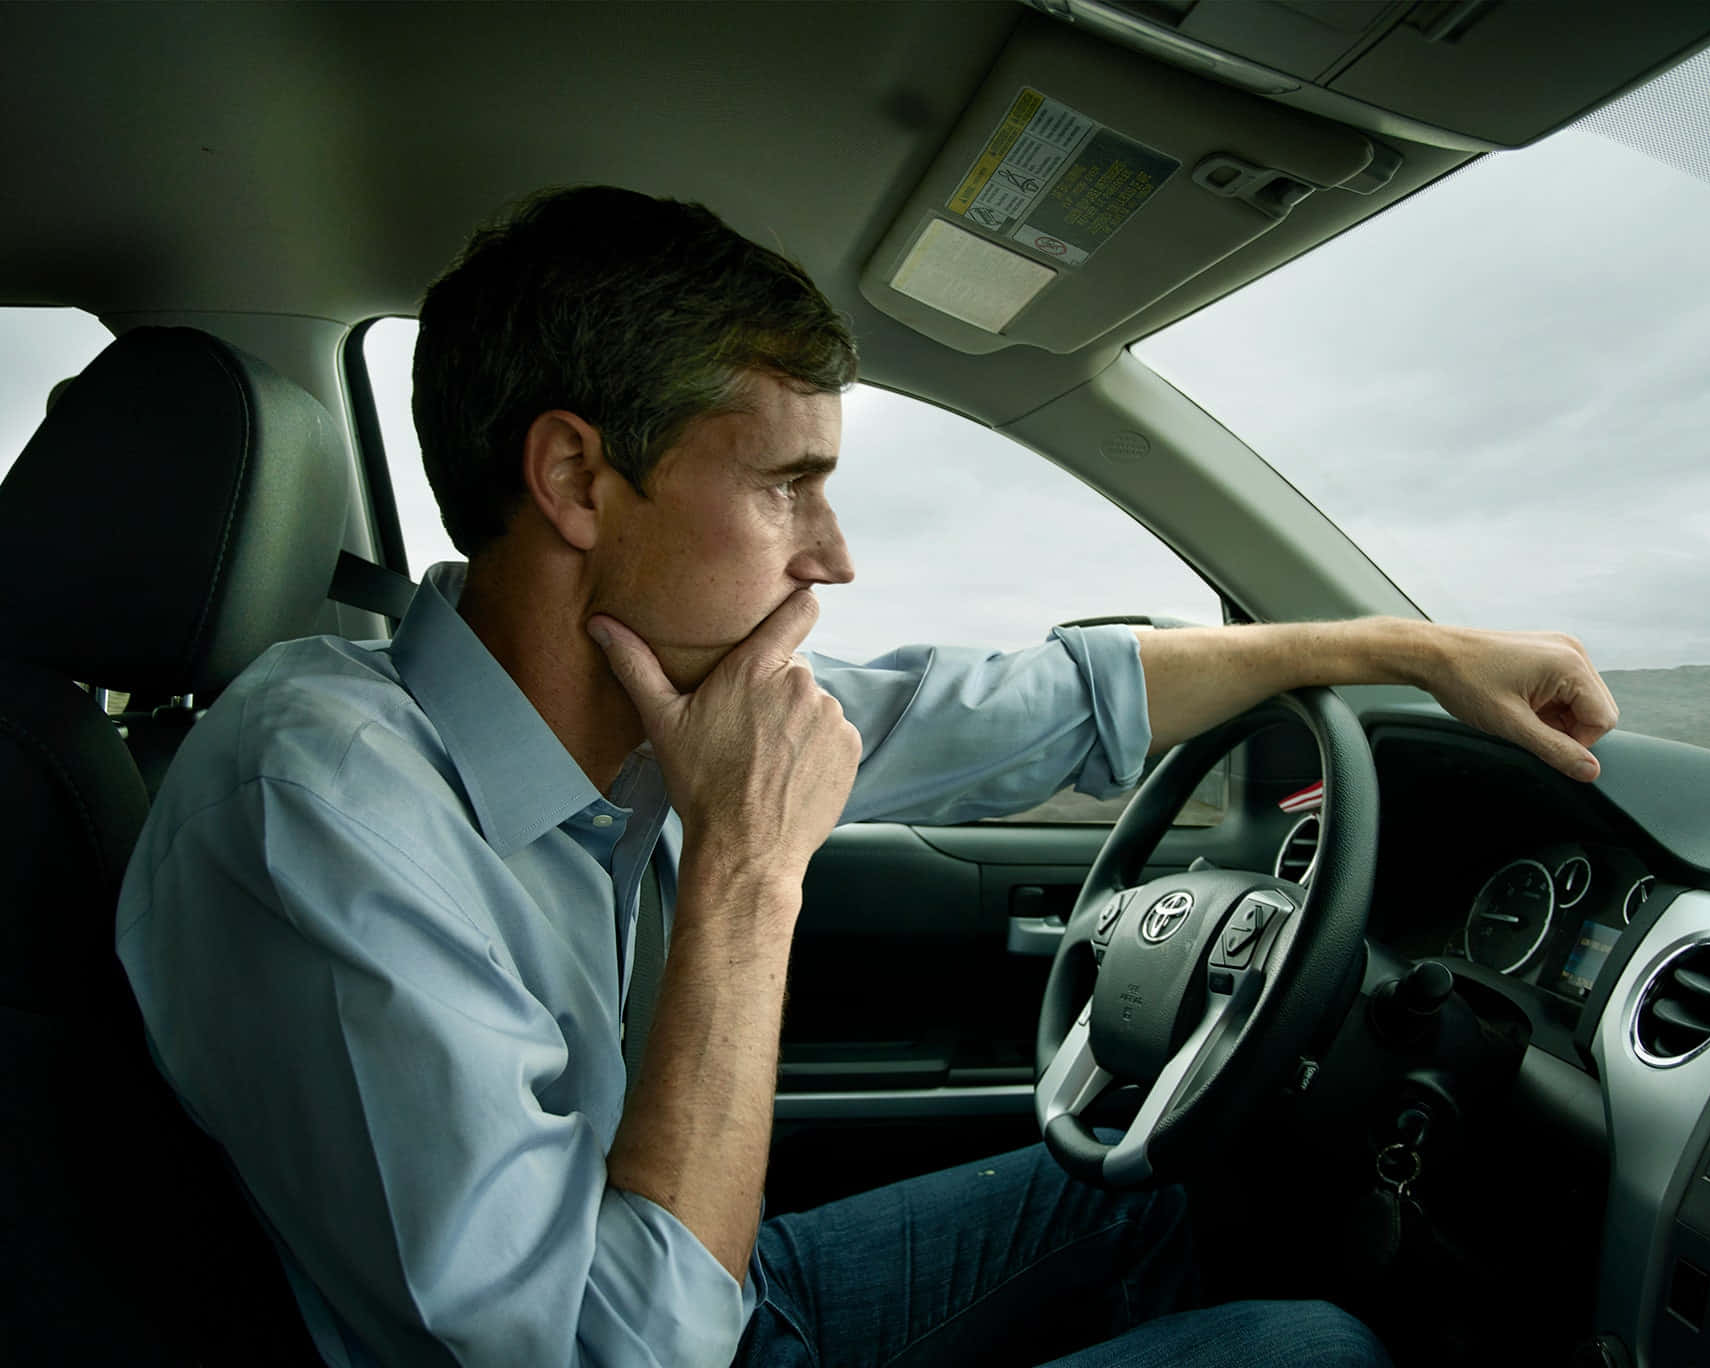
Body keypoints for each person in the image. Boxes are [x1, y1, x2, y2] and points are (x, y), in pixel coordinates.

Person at [117, 186, 1618, 1368]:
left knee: (1174, 1193)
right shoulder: (317, 792)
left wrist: (1411, 652)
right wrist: (748, 870)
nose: (832, 558)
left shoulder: (643, 710)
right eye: (786, 487)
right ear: (575, 480)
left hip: (697, 1284)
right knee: (1312, 1348)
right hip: (630, 1329)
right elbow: (610, 1353)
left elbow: (1030, 703)